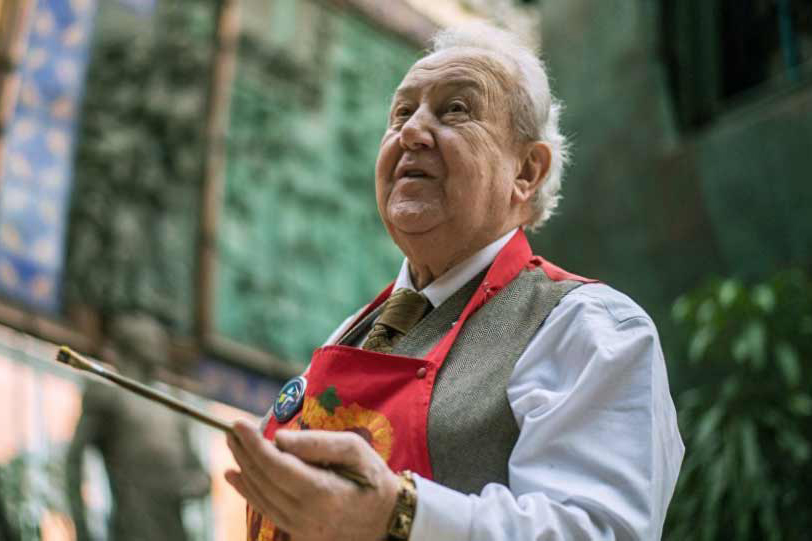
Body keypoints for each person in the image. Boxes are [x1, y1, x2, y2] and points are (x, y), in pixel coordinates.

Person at [225, 22, 684, 541]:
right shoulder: (354, 331)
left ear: (527, 171)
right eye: (401, 113)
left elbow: (598, 532)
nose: (411, 133)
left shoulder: (587, 327)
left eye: (455, 110)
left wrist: (400, 513)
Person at [66, 314, 210, 541]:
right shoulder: (107, 395)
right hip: (131, 526)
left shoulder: (172, 404)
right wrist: (82, 531)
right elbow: (73, 463)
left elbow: (202, 477)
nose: (158, 343)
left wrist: (180, 486)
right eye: (150, 337)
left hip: (174, 528)